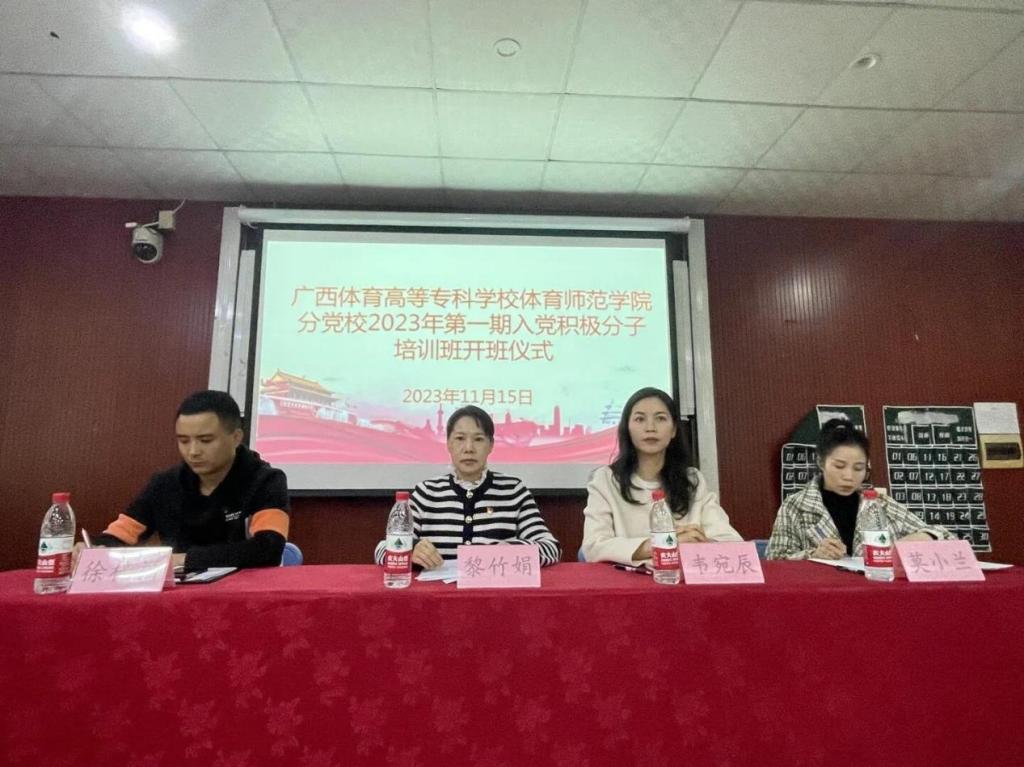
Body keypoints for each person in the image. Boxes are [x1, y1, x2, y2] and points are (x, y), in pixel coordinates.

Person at [88, 390, 290, 571]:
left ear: (236, 438)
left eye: (205, 440)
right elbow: (120, 536)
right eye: (183, 441)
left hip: (242, 592)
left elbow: (268, 548)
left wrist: (185, 560)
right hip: (178, 592)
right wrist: (95, 549)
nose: (193, 451)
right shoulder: (164, 485)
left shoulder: (266, 481)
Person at [374, 405, 561, 568]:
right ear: (448, 444)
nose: (469, 448)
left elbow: (551, 548)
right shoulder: (426, 493)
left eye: (478, 439)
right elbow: (382, 550)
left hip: (495, 594)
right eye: (460, 438)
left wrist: (509, 552)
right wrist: (411, 550)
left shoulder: (513, 491)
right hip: (437, 595)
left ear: (491, 445)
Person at [581, 387, 742, 565]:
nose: (650, 428)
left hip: (682, 578)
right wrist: (662, 544)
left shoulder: (692, 480)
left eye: (660, 418)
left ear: (674, 430)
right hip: (628, 580)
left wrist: (699, 544)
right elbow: (593, 547)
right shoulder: (605, 480)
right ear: (627, 428)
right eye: (640, 419)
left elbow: (731, 541)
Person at [766, 418, 953, 560]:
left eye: (858, 468)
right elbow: (775, 560)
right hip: (819, 594)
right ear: (821, 462)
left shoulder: (879, 503)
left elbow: (947, 537)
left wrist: (923, 537)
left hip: (875, 593)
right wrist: (812, 554)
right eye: (839, 466)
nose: (849, 476)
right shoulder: (796, 506)